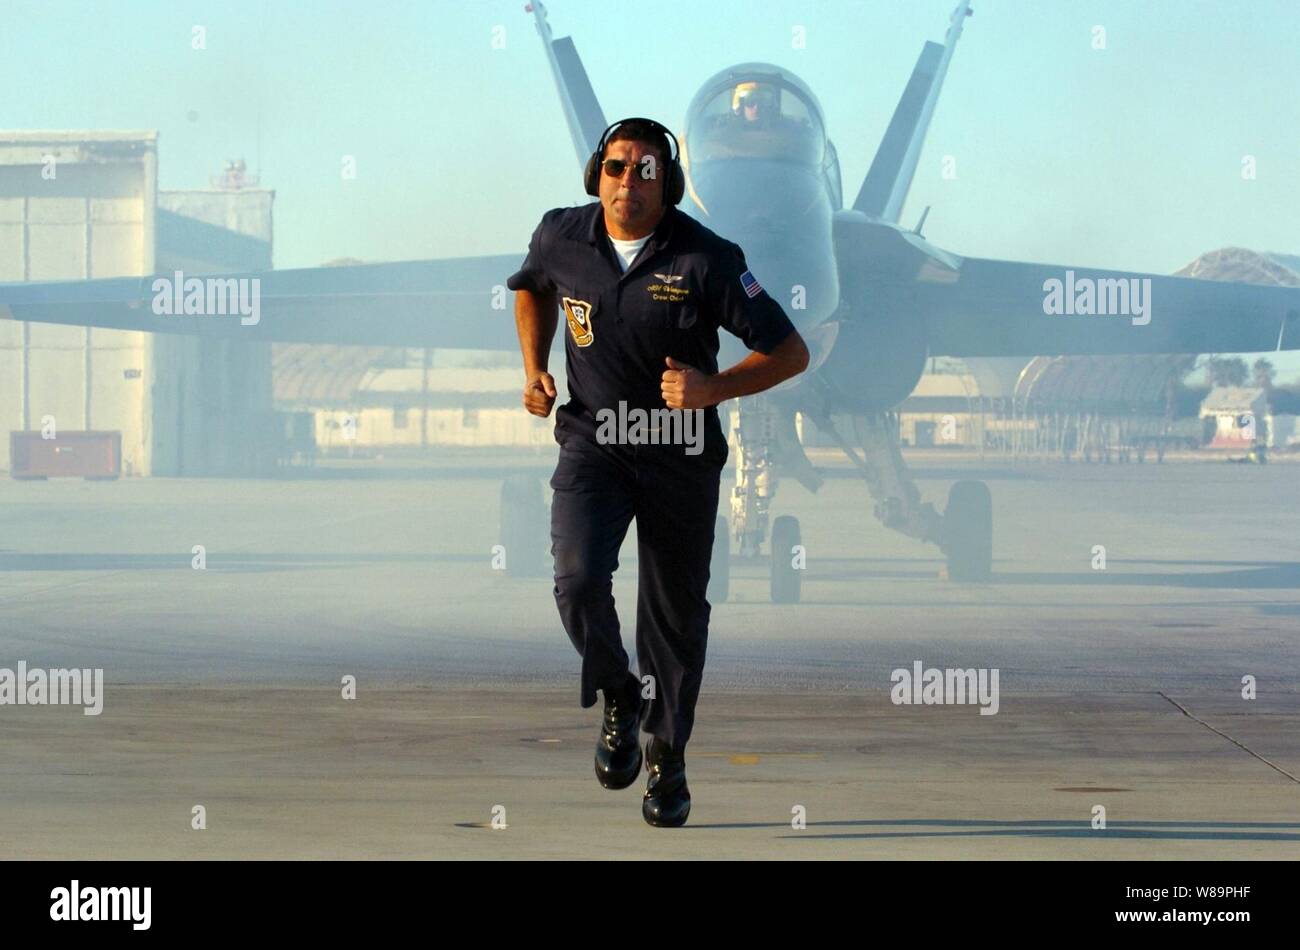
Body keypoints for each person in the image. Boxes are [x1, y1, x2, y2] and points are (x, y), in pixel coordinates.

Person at [507, 117, 808, 827]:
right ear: (596, 175)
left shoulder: (709, 257)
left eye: (646, 170)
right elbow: (530, 287)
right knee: (578, 581)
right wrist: (533, 369)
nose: (628, 182)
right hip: (595, 446)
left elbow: (789, 351)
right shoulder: (561, 236)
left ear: (667, 183)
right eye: (616, 167)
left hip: (680, 454)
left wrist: (715, 389)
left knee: (673, 617)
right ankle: (618, 695)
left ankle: (667, 761)